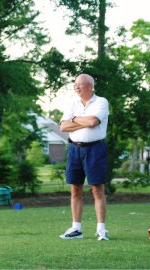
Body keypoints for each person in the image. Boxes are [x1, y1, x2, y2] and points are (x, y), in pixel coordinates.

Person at [59, 73, 110, 241]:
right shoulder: (73, 103)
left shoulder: (101, 102)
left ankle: (101, 230)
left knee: (97, 189)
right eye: (75, 85)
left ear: (89, 86)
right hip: (75, 149)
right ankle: (76, 229)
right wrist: (79, 120)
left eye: (79, 85)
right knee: (75, 189)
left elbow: (93, 122)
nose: (76, 88)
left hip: (95, 149)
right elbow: (63, 126)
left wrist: (73, 120)